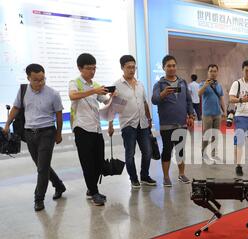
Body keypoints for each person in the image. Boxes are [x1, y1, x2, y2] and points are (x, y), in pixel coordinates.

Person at [2, 64, 66, 212]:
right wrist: (6, 125)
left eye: (42, 79)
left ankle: (39, 198)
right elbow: (16, 108)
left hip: (47, 133)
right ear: (29, 78)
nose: (40, 83)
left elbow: (59, 115)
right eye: (36, 80)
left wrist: (59, 133)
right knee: (41, 166)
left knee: (42, 168)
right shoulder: (23, 90)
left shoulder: (53, 94)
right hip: (29, 133)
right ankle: (59, 185)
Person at [69, 53, 113, 206]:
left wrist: (112, 95)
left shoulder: (96, 85)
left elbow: (106, 101)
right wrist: (94, 91)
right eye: (89, 68)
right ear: (80, 68)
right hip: (82, 127)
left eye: (94, 68)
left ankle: (91, 188)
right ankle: (94, 192)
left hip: (96, 128)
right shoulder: (74, 82)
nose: (92, 72)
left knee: (99, 162)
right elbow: (73, 96)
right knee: (87, 162)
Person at [108, 55, 156, 189]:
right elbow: (113, 106)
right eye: (128, 67)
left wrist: (149, 118)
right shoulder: (117, 85)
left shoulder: (140, 84)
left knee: (147, 152)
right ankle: (134, 179)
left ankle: (144, 176)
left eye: (133, 67)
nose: (131, 70)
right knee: (130, 154)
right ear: (122, 68)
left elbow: (145, 102)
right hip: (128, 125)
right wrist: (111, 125)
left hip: (143, 124)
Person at [151, 55, 195, 187]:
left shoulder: (182, 82)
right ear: (164, 68)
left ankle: (181, 174)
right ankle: (166, 177)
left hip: (181, 123)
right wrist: (163, 93)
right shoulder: (159, 84)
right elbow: (154, 100)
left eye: (173, 65)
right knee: (167, 150)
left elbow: (188, 100)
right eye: (168, 66)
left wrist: (191, 115)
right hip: (167, 124)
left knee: (180, 150)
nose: (171, 68)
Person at [198, 64, 226, 164]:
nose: (213, 73)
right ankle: (204, 153)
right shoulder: (202, 83)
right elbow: (199, 94)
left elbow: (221, 99)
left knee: (215, 135)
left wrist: (224, 111)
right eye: (211, 71)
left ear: (217, 72)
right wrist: (205, 86)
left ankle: (214, 154)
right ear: (208, 72)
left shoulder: (219, 85)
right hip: (207, 114)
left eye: (215, 71)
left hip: (217, 114)